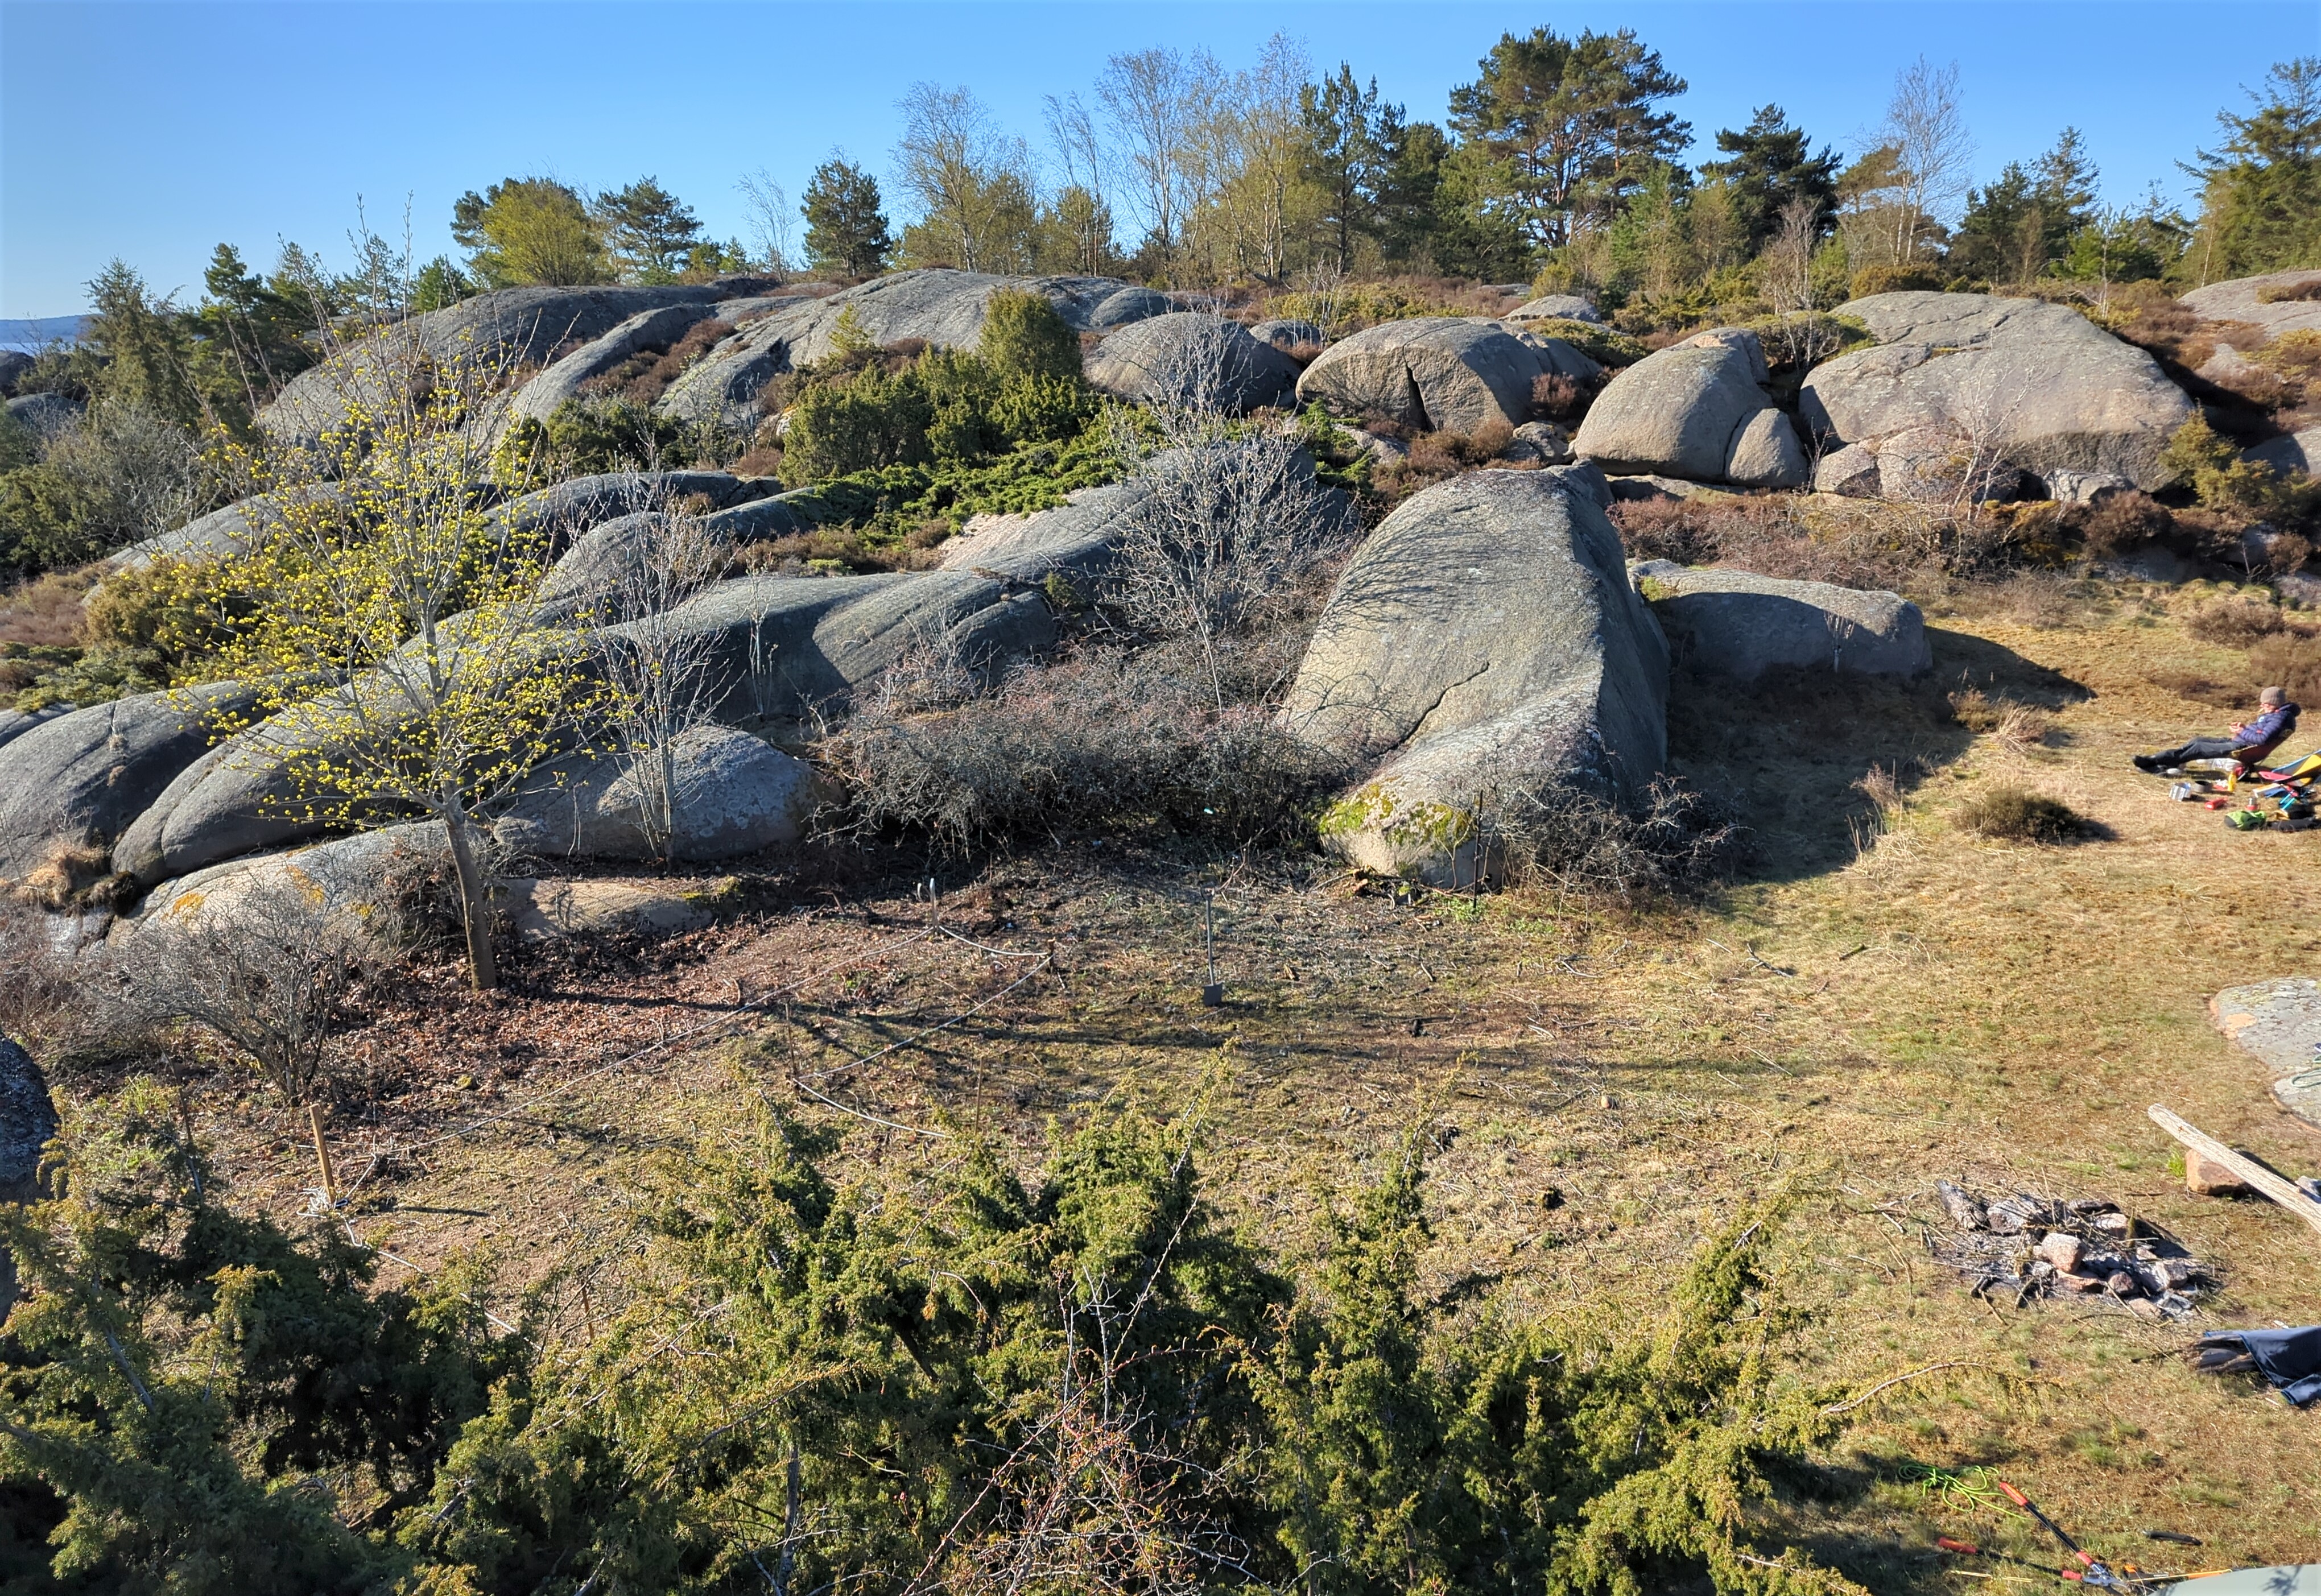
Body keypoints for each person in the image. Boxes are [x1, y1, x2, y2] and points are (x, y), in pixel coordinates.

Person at [2133, 686, 2299, 773]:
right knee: (2198, 740)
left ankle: (2154, 761)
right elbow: (2261, 734)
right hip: (2242, 743)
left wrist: (2242, 732)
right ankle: (2172, 761)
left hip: (2241, 749)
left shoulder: (2279, 718)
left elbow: (2262, 739)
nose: (2262, 707)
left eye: (2265, 704)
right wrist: (2245, 729)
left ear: (2275, 703)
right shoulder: (2280, 716)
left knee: (2199, 748)